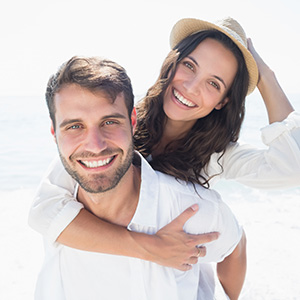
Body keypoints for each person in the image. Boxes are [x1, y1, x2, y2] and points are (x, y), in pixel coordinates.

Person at [29, 17, 300, 268]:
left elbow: (293, 168)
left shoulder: (218, 157)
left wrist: (266, 77)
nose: (191, 87)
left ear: (223, 102)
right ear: (173, 62)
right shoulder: (117, 123)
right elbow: (45, 210)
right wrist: (150, 247)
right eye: (189, 66)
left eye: (213, 84)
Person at [34, 56, 246, 300]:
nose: (95, 145)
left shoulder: (190, 209)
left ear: (133, 122)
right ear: (54, 132)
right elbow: (41, 214)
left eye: (110, 122)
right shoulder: (57, 203)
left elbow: (235, 246)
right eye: (74, 127)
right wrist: (152, 247)